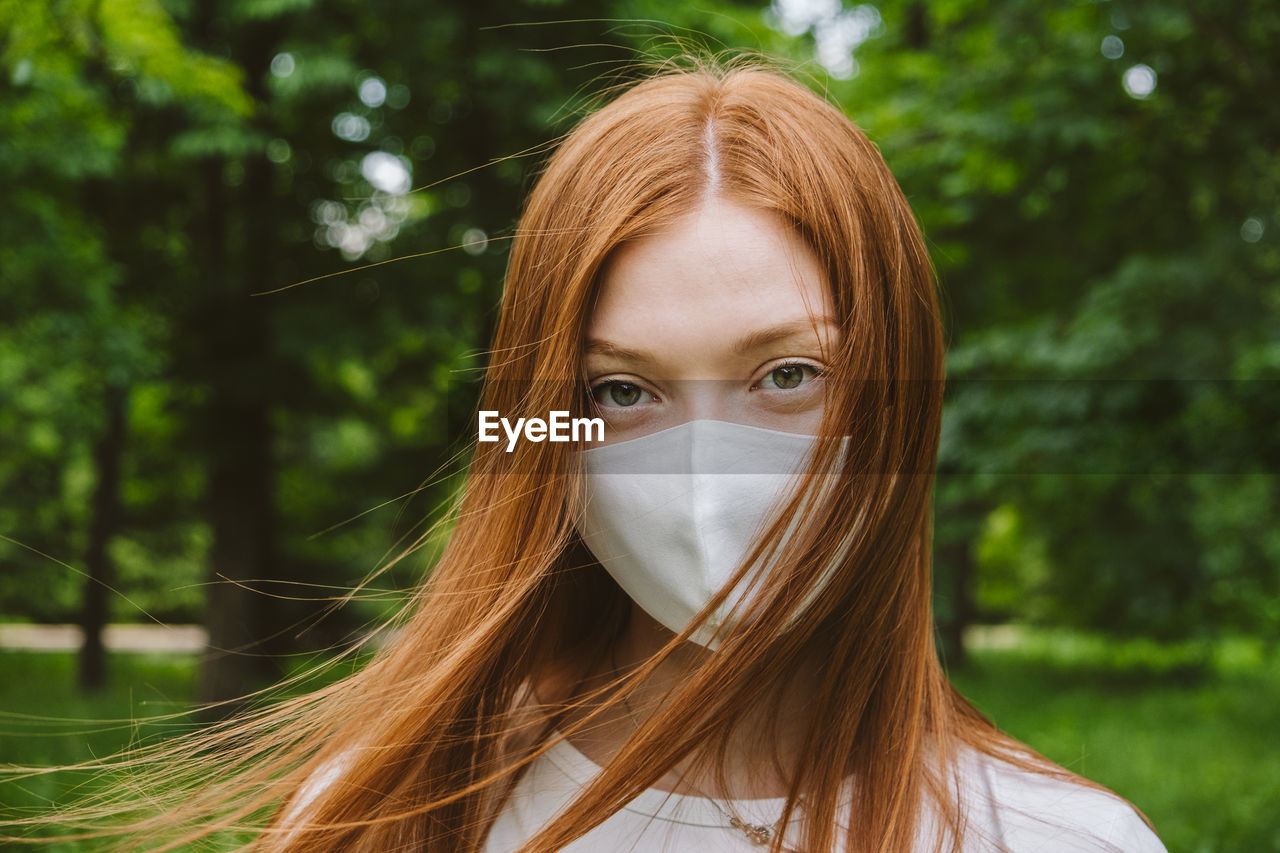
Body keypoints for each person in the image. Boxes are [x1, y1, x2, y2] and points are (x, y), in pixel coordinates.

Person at [5, 56, 1169, 853]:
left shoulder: (1060, 840)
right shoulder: (391, 817)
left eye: (787, 377)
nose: (705, 482)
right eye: (620, 392)